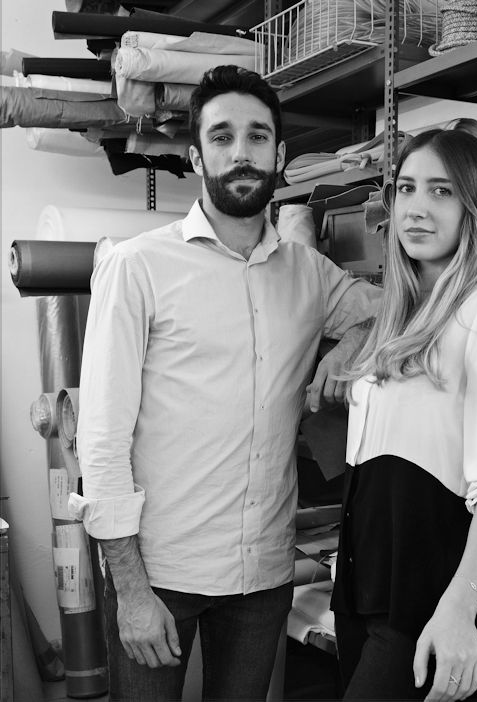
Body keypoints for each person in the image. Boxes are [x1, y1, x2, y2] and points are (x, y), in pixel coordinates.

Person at [68, 65, 380, 702]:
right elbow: (101, 442)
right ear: (195, 157)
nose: (241, 152)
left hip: (262, 574)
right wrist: (131, 591)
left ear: (279, 156)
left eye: (258, 137)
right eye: (222, 137)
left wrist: (346, 350)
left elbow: (390, 315)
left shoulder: (309, 273)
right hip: (160, 572)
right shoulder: (138, 267)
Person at [330, 129, 477, 701]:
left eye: (441, 191)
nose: (417, 208)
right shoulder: (395, 314)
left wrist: (459, 608)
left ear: (474, 210)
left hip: (421, 597)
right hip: (359, 585)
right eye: (407, 188)